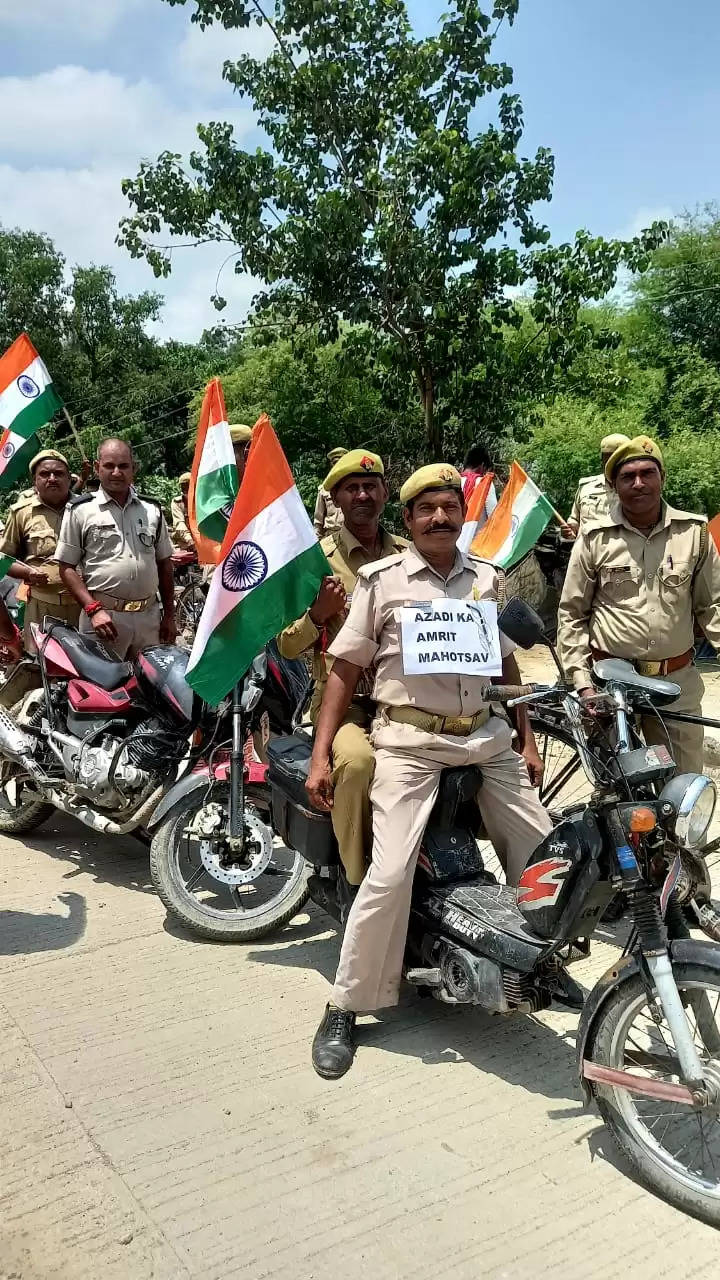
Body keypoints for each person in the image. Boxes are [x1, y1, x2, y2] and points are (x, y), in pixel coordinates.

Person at [306, 463, 555, 1079]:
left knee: (550, 855)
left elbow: (505, 668)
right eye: (427, 510)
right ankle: (346, 1003)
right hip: (410, 741)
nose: (440, 518)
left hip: (488, 739)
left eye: (449, 508)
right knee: (388, 875)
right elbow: (342, 668)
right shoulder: (381, 581)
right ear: (410, 521)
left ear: (460, 515)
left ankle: (540, 959)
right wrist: (320, 751)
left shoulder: (487, 581)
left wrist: (524, 738)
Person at [278, 450, 406, 896]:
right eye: (351, 488)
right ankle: (358, 881)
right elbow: (287, 644)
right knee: (356, 763)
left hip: (404, 700)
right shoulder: (316, 562)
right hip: (344, 705)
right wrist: (318, 615)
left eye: (371, 486)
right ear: (335, 497)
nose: (363, 494)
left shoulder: (409, 556)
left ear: (386, 493)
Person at [557, 434, 720, 773]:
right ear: (613, 485)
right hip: (609, 688)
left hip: (676, 686)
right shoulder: (594, 538)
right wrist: (582, 682)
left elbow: (713, 607)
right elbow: (572, 613)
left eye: (647, 472)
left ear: (662, 477)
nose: (639, 483)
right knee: (618, 794)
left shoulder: (695, 534)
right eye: (627, 477)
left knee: (683, 789)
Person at [55, 438, 176, 660]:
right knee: (104, 691)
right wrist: (93, 609)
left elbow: (164, 565)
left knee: (151, 688)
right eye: (109, 466)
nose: (116, 472)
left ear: (134, 469)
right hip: (104, 620)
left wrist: (169, 615)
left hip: (149, 618)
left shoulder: (152, 510)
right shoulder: (80, 510)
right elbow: (66, 567)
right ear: (96, 467)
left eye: (123, 466)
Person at [0, 450, 82, 652]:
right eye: (45, 474)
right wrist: (27, 573)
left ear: (68, 477)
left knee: (90, 672)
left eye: (59, 473)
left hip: (86, 608)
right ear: (34, 480)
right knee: (41, 670)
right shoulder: (21, 513)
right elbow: (3, 559)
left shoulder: (87, 508)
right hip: (42, 608)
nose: (52, 478)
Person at [566, 434, 631, 534]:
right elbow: (574, 519)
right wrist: (571, 528)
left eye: (616, 459)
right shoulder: (587, 487)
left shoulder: (637, 489)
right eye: (607, 458)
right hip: (586, 548)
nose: (610, 464)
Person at [314, 447, 348, 537]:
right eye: (334, 463)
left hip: (352, 535)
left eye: (340, 462)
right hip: (331, 536)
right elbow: (318, 521)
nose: (337, 465)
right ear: (331, 465)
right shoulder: (324, 489)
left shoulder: (354, 487)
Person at [171, 472, 195, 550]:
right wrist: (189, 539)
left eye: (187, 486)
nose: (184, 490)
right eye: (182, 487)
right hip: (184, 543)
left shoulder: (201, 501)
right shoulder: (177, 502)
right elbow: (179, 523)